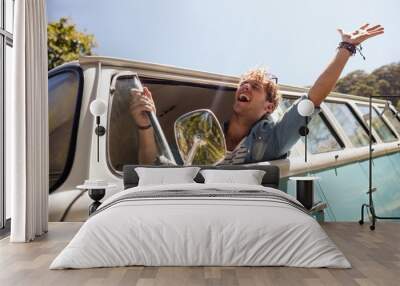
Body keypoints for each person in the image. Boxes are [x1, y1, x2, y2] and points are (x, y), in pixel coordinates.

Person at [129, 23, 384, 165]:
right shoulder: (201, 134)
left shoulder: (273, 140)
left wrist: (347, 47)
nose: (245, 87)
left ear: (269, 107)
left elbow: (312, 100)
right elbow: (152, 165)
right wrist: (144, 125)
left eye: (255, 86)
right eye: (243, 83)